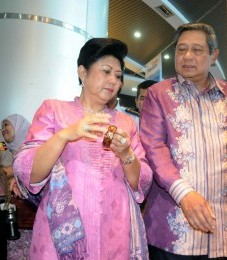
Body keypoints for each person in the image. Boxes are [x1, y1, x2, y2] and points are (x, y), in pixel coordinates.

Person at [140, 22, 227, 259]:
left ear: (214, 55)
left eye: (197, 50)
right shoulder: (158, 95)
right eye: (181, 50)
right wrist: (184, 194)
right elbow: (153, 147)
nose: (187, 56)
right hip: (174, 230)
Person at [13, 38, 153, 259]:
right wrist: (65, 135)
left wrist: (127, 154)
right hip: (61, 234)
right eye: (106, 71)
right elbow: (28, 172)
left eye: (118, 76)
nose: (113, 81)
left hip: (115, 231)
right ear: (82, 72)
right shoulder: (54, 110)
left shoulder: (126, 123)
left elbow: (141, 181)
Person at [1, 114, 36, 260]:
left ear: (18, 126)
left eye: (6, 125)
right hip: (13, 225)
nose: (3, 129)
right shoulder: (7, 151)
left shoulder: (32, 149)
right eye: (1, 127)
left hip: (31, 225)